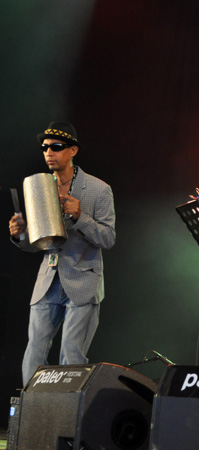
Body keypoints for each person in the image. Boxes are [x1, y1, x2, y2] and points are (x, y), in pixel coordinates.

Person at [8, 122, 116, 386]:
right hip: (48, 279)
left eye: (56, 147)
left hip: (83, 278)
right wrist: (19, 235)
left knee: (71, 352)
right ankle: (33, 412)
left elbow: (109, 237)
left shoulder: (98, 189)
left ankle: (65, 416)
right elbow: (39, 244)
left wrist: (80, 216)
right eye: (45, 148)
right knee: (34, 351)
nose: (48, 152)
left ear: (72, 151)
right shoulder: (39, 186)